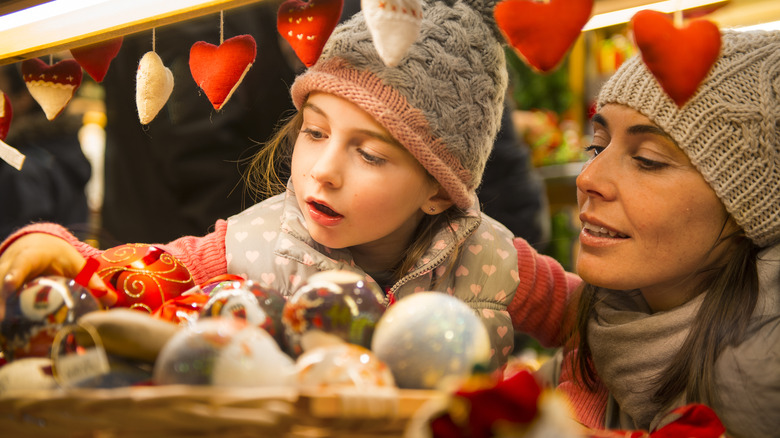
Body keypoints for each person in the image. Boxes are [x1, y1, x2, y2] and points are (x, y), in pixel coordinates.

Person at [0, 0, 577, 372]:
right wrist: (63, 254)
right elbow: (142, 274)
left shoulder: (494, 261)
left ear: (439, 189)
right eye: (315, 131)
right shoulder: (253, 247)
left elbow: (600, 323)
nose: (323, 170)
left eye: (371, 155)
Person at [517, 29, 779, 437]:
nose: (588, 178)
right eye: (597, 146)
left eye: (647, 160)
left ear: (750, 203)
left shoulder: (759, 380)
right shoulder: (604, 329)